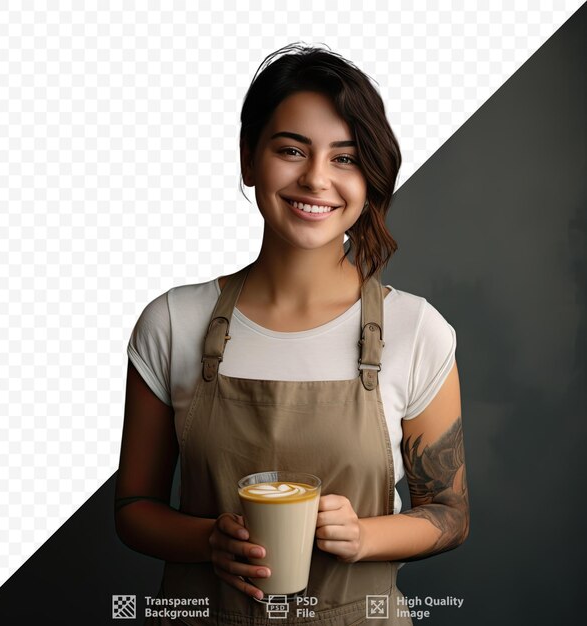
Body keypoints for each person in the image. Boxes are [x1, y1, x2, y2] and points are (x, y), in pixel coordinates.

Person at [115, 43, 469, 625]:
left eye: (345, 158)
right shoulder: (173, 322)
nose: (316, 179)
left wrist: (363, 536)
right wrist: (209, 541)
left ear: (369, 176)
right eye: (290, 150)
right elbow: (133, 508)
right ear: (249, 158)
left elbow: (451, 512)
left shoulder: (415, 330)